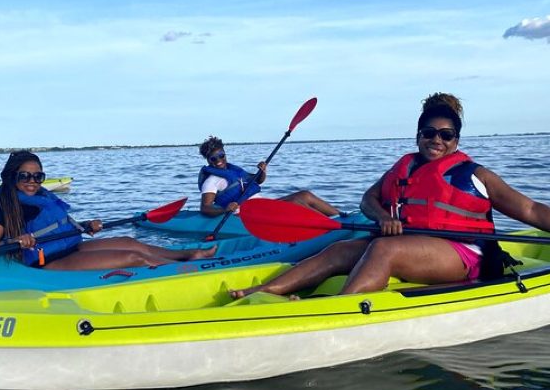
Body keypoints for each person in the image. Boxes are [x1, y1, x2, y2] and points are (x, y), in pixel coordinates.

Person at [230, 92, 550, 299]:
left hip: (466, 255)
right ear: (418, 135)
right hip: (412, 244)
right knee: (339, 250)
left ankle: (336, 310)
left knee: (384, 249)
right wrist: (383, 217)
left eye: (446, 135)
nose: (436, 140)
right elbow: (367, 199)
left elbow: (532, 210)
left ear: (455, 140)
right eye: (428, 133)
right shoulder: (406, 167)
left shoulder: (476, 175)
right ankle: (261, 292)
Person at [0, 150, 217, 270]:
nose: (32, 180)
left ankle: (189, 254)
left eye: (38, 176)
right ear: (11, 176)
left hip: (68, 247)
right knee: (133, 258)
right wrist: (15, 241)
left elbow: (54, 226)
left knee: (129, 242)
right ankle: (186, 269)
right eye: (25, 175)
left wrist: (84, 226)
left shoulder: (40, 195)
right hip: (46, 263)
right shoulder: (3, 204)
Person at [198, 136, 340, 217]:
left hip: (262, 206)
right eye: (213, 159)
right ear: (208, 160)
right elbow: (205, 208)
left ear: (224, 153)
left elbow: (257, 181)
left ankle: (342, 217)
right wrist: (225, 210)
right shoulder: (211, 182)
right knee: (296, 203)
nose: (219, 160)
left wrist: (262, 171)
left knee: (305, 195)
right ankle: (332, 226)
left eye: (221, 155)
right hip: (247, 216)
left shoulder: (234, 170)